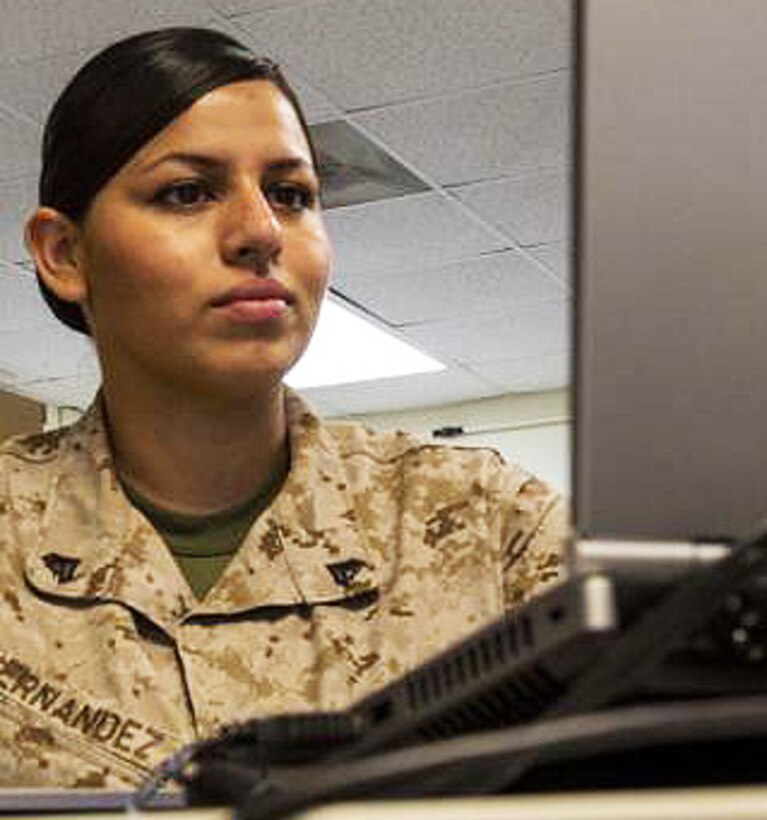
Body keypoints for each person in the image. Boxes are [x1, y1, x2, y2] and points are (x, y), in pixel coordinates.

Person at [0, 27, 566, 789]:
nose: (261, 232)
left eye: (291, 195)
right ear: (64, 253)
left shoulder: (485, 524)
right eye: (187, 192)